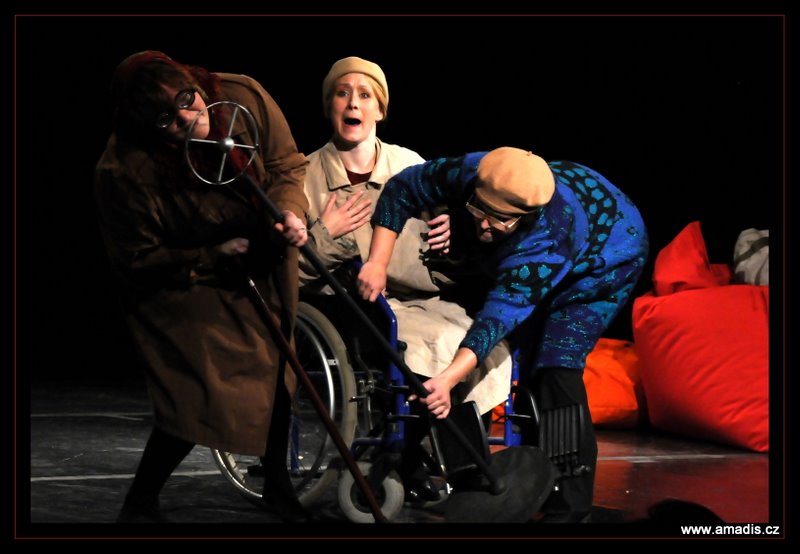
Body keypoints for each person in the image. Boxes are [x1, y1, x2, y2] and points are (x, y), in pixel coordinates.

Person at [357, 147, 649, 522]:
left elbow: (498, 316)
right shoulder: (476, 172)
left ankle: (569, 505)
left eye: (499, 220)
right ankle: (456, 466)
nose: (483, 226)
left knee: (554, 363)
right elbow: (403, 188)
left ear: (525, 217)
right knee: (489, 346)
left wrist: (448, 379)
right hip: (544, 235)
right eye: (478, 211)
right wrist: (377, 263)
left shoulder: (549, 235)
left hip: (606, 261)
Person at [94, 51, 311, 523]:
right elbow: (139, 258)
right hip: (186, 282)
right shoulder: (125, 169)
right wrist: (213, 254)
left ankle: (278, 488)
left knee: (280, 373)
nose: (187, 120)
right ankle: (140, 501)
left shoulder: (241, 96)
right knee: (199, 395)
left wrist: (290, 211)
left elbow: (286, 165)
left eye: (186, 101)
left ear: (193, 84)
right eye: (166, 121)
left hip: (264, 254)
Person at [299, 57, 513, 502]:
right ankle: (437, 466)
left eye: (365, 95)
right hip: (353, 306)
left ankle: (450, 464)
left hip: (423, 297)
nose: (353, 103)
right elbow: (289, 270)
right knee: (427, 345)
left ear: (380, 110)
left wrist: (452, 228)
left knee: (479, 344)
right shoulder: (304, 176)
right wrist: (326, 234)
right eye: (342, 93)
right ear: (328, 105)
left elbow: (452, 232)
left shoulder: (408, 164)